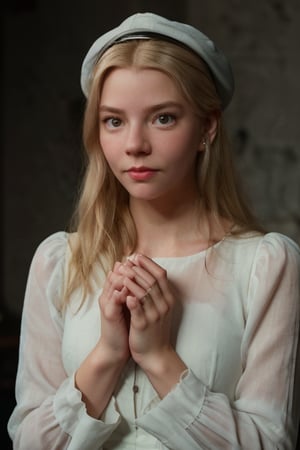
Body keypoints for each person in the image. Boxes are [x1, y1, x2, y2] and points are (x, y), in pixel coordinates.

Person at [7, 11, 300, 450]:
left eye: (163, 118)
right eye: (114, 121)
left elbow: (269, 445)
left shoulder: (266, 265)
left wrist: (159, 358)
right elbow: (29, 443)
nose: (134, 144)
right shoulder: (58, 263)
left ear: (207, 127)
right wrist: (107, 354)